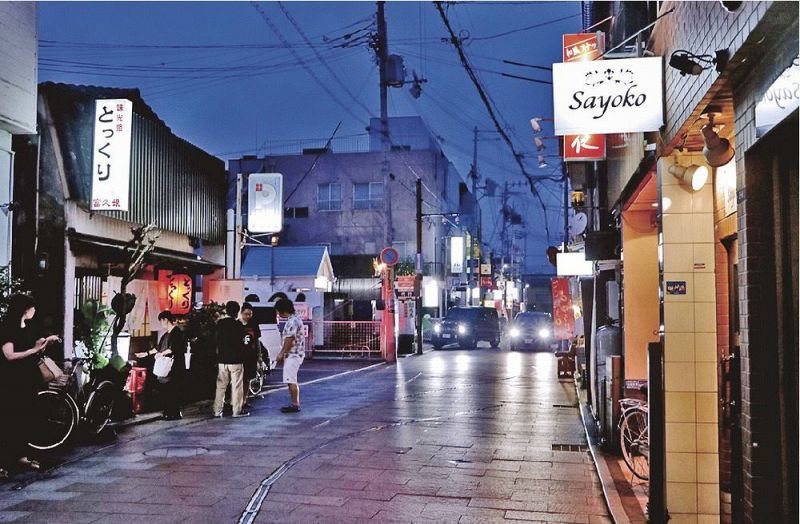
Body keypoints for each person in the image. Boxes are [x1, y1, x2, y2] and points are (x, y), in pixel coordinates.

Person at [0, 294, 60, 474]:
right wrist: (32, 350)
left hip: (27, 379)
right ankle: (3, 461)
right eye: (32, 307)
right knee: (8, 419)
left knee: (25, 417)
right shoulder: (7, 328)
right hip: (10, 380)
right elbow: (9, 355)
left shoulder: (28, 327)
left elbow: (32, 347)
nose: (35, 311)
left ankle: (21, 455)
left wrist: (45, 342)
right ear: (25, 309)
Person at [213, 301, 249, 418]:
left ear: (226, 311)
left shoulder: (220, 324)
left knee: (221, 386)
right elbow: (242, 343)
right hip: (236, 360)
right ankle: (236, 411)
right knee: (237, 386)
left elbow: (216, 341)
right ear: (237, 312)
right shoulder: (239, 325)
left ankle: (217, 411)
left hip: (222, 360)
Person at [152, 311, 186, 420]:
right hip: (168, 365)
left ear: (165, 320)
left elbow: (172, 348)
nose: (161, 324)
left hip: (174, 365)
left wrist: (160, 354)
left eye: (161, 321)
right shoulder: (167, 334)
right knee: (168, 389)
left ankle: (173, 412)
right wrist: (146, 353)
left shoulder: (176, 333)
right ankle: (170, 412)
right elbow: (158, 347)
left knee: (172, 389)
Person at [275, 298, 304, 413]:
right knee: (291, 379)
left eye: (278, 311)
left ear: (282, 310)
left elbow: (290, 339)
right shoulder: (295, 319)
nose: (278, 314)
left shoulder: (292, 322)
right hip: (295, 354)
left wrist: (282, 353)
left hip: (293, 355)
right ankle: (294, 403)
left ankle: (295, 404)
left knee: (291, 379)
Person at [239, 303, 261, 407]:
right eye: (246, 314)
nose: (248, 316)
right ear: (241, 313)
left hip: (251, 356)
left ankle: (244, 400)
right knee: (239, 379)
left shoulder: (254, 325)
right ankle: (237, 400)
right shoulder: (237, 325)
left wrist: (259, 356)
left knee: (247, 379)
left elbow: (257, 341)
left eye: (250, 314)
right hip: (239, 356)